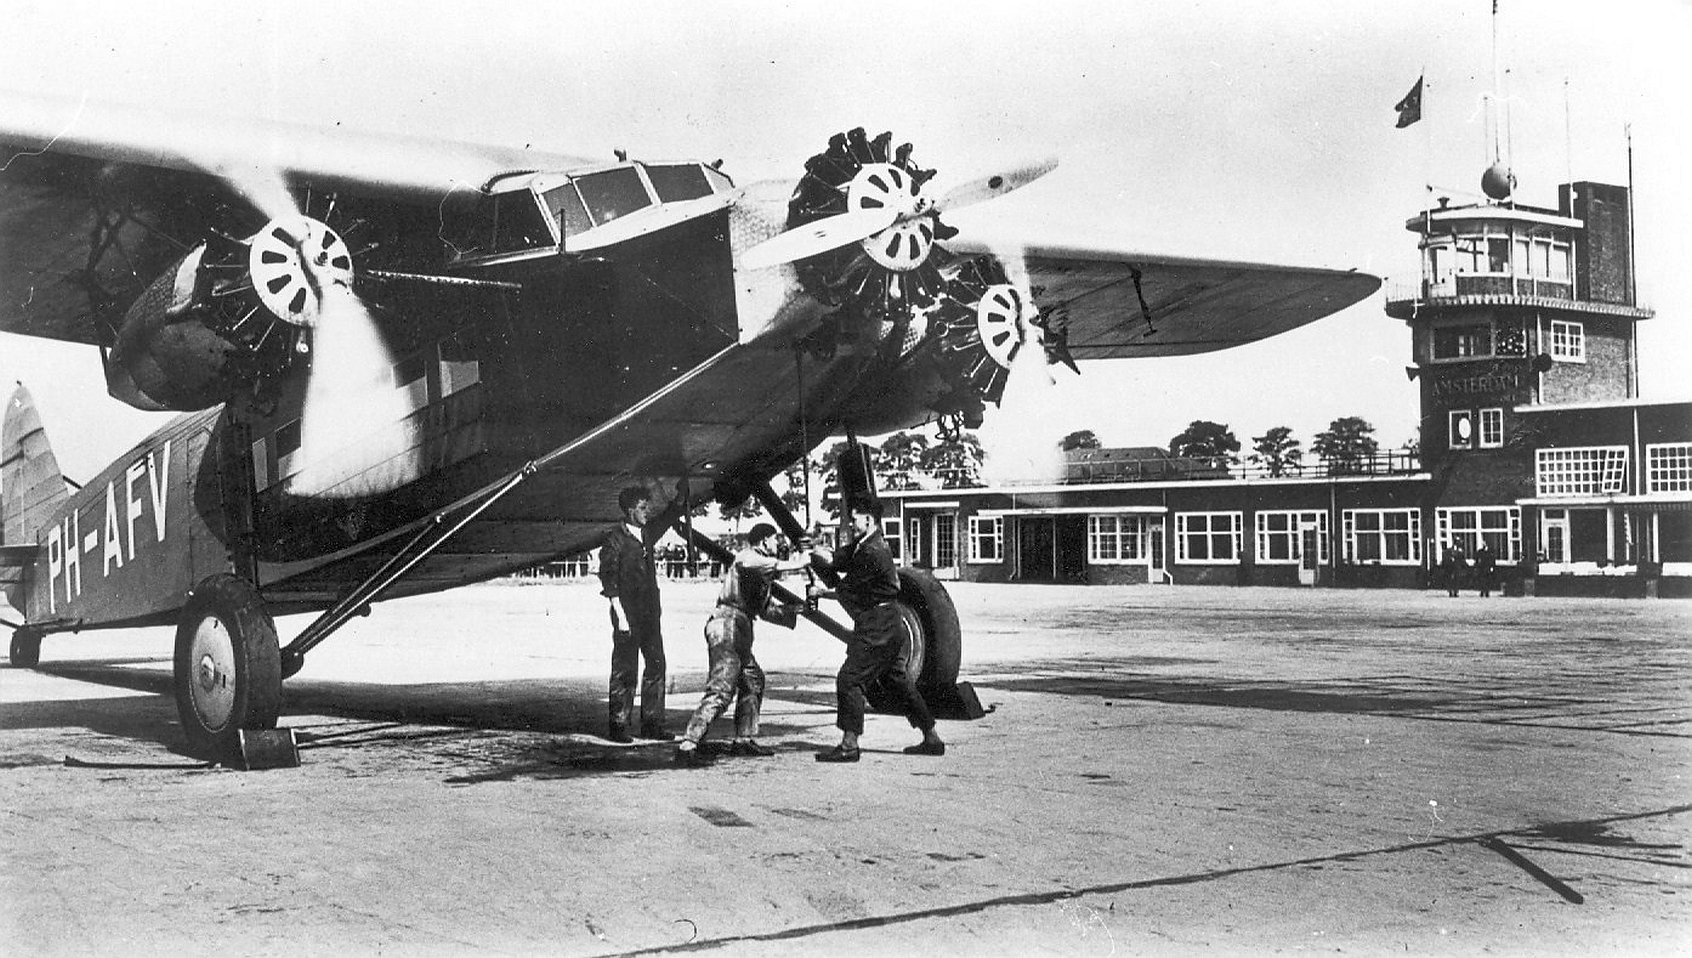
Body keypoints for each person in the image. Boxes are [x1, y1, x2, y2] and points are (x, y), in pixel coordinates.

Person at [810, 499, 944, 763]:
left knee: (850, 679)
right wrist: (815, 550)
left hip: (877, 626)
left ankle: (849, 745)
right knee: (897, 680)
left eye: (854, 519)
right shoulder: (867, 544)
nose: (851, 524)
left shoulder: (873, 552)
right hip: (891, 623)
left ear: (868, 519)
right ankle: (932, 737)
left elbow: (850, 589)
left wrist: (821, 593)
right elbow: (840, 559)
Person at [675, 523, 811, 766]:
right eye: (774, 539)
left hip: (738, 628)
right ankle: (689, 744)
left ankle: (743, 739)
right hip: (727, 626)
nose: (777, 544)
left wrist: (798, 610)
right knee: (721, 689)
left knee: (752, 680)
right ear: (764, 540)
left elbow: (765, 610)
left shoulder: (760, 574)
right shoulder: (747, 557)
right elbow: (766, 565)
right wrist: (802, 560)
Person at [597, 483, 685, 743]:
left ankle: (652, 724)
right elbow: (609, 580)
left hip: (649, 614)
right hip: (627, 614)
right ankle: (618, 725)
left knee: (656, 665)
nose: (648, 511)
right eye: (643, 507)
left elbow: (666, 519)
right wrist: (620, 616)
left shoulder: (646, 533)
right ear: (630, 510)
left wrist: (680, 499)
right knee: (625, 670)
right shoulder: (614, 539)